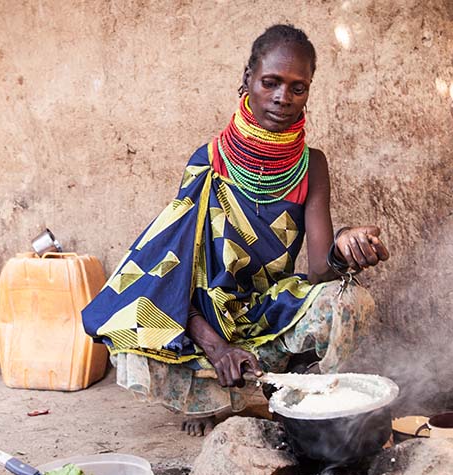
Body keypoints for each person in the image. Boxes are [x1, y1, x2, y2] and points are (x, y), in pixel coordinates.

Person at [82, 24, 389, 435]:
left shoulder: (312, 165)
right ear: (247, 80)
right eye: (271, 82)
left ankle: (298, 395)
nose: (283, 98)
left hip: (266, 313)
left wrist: (343, 244)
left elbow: (320, 273)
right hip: (205, 321)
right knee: (135, 337)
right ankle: (207, 394)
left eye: (298, 88)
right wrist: (217, 347)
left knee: (350, 303)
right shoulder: (209, 161)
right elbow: (171, 280)